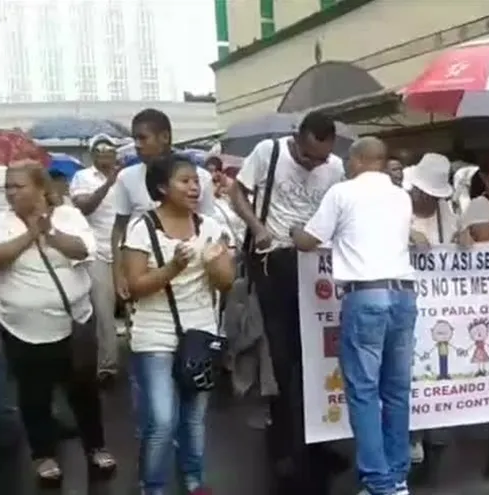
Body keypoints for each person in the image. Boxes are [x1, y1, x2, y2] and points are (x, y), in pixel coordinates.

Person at [291, 137, 416, 495]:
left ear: (361, 159)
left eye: (348, 157)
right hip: (404, 295)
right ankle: (398, 476)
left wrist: (291, 230)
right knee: (396, 391)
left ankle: (378, 483)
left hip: (365, 296)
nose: (345, 163)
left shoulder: (342, 193)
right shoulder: (401, 195)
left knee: (363, 392)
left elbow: (308, 241)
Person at [229, 111, 345, 490]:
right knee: (282, 359)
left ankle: (317, 443)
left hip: (317, 265)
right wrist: (258, 227)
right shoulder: (268, 153)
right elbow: (236, 193)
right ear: (297, 137)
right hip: (272, 260)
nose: (315, 164)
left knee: (319, 357)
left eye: (322, 158)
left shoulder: (335, 167)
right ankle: (284, 446)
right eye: (309, 156)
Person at [0, 162, 115, 485]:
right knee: (34, 396)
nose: (11, 192)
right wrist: (30, 234)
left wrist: (49, 232)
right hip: (21, 328)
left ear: (40, 187)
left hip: (73, 324)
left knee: (83, 391)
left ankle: (96, 446)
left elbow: (84, 250)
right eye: (8, 187)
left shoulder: (68, 215)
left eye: (19, 186)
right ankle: (43, 454)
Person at [121, 155, 236, 494]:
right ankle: (153, 486)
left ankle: (194, 479)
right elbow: (135, 287)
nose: (194, 187)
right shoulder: (142, 228)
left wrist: (216, 265)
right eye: (184, 181)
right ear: (161, 188)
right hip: (154, 334)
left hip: (200, 333)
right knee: (161, 419)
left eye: (196, 181)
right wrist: (173, 267)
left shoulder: (211, 228)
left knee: (194, 418)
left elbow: (226, 283)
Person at [111, 109, 217, 302]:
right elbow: (119, 228)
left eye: (143, 138)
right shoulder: (126, 177)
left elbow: (211, 229)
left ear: (165, 137)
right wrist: (118, 274)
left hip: (191, 278)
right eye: (134, 139)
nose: (137, 145)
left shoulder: (200, 178)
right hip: (144, 274)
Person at [404, 152, 468, 462]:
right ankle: (410, 434)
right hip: (405, 298)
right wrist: (406, 233)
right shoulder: (397, 207)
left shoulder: (445, 210)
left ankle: (431, 426)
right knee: (410, 369)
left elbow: (456, 237)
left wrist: (463, 236)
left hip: (440, 301)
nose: (429, 199)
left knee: (436, 367)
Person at [71, 134, 122, 382]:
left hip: (126, 249)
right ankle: (107, 367)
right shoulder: (82, 177)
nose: (106, 155)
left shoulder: (126, 176)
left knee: (140, 308)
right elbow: (85, 206)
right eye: (100, 151)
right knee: (104, 313)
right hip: (98, 252)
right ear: (92, 154)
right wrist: (108, 184)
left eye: (110, 151)